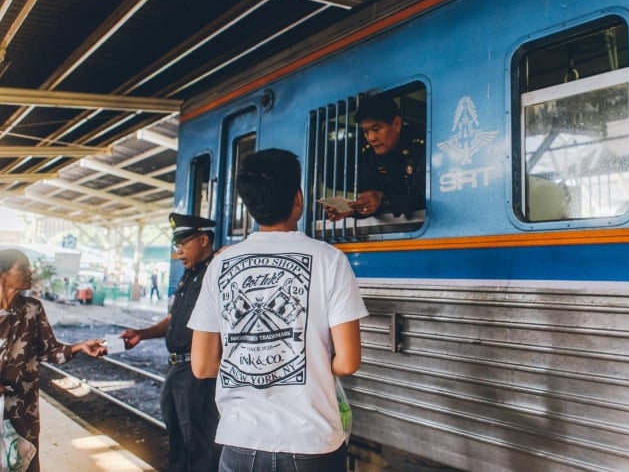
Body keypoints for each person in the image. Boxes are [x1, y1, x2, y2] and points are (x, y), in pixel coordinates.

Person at [189, 148, 368, 472]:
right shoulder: (330, 260)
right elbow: (348, 361)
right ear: (298, 198)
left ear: (248, 204)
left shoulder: (220, 265)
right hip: (311, 444)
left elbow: (201, 366)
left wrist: (252, 365)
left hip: (240, 441)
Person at [119, 213, 221, 472]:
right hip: (175, 370)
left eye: (184, 244)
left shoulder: (216, 272)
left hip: (197, 373)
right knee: (178, 441)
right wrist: (143, 333)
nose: (179, 252)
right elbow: (174, 318)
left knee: (201, 445)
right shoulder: (189, 275)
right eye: (177, 246)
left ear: (203, 239)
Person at [0, 248, 106, 472]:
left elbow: (49, 350)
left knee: (23, 462)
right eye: (23, 268)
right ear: (2, 274)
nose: (31, 272)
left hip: (22, 409)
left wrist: (79, 346)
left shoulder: (32, 309)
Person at [324, 93, 425, 221]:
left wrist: (383, 199)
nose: (371, 138)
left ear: (397, 123)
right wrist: (352, 210)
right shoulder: (370, 157)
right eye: (366, 131)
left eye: (376, 129)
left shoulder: (421, 148)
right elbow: (374, 202)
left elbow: (423, 197)